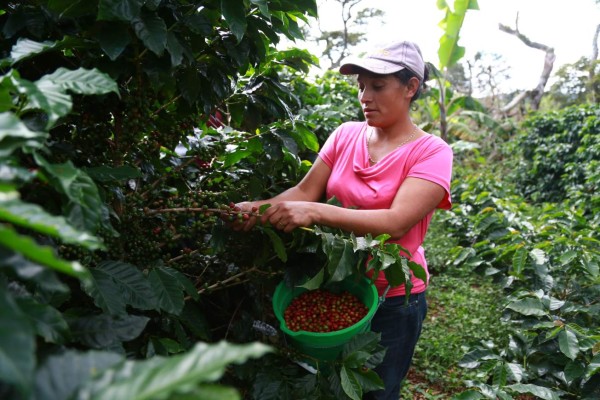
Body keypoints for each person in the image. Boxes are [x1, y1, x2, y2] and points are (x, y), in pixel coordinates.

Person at [233, 40, 453, 399]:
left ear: (411, 87)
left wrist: (318, 211)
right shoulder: (345, 135)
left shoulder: (432, 152)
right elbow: (305, 193)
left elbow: (397, 221)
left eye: (378, 86)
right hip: (340, 284)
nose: (365, 96)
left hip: (392, 297)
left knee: (376, 392)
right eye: (361, 86)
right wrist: (257, 210)